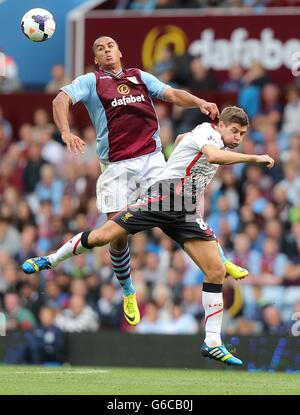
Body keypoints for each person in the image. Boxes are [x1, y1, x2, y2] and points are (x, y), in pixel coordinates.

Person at [22, 106, 275, 365]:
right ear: (220, 125)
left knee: (215, 271)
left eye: (242, 134)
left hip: (184, 209)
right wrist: (255, 158)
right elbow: (212, 156)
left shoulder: (200, 135)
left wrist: (182, 148)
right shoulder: (209, 135)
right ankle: (51, 260)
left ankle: (212, 342)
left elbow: (181, 140)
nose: (238, 138)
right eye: (234, 131)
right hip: (163, 198)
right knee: (102, 237)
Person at [50, 36, 245, 326]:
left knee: (183, 209)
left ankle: (220, 258)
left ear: (119, 51)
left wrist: (199, 102)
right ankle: (129, 291)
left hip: (152, 159)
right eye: (101, 48)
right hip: (116, 166)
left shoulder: (140, 77)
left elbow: (172, 94)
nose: (107, 50)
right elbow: (60, 99)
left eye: (111, 46)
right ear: (96, 58)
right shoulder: (91, 81)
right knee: (116, 235)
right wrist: (66, 132)